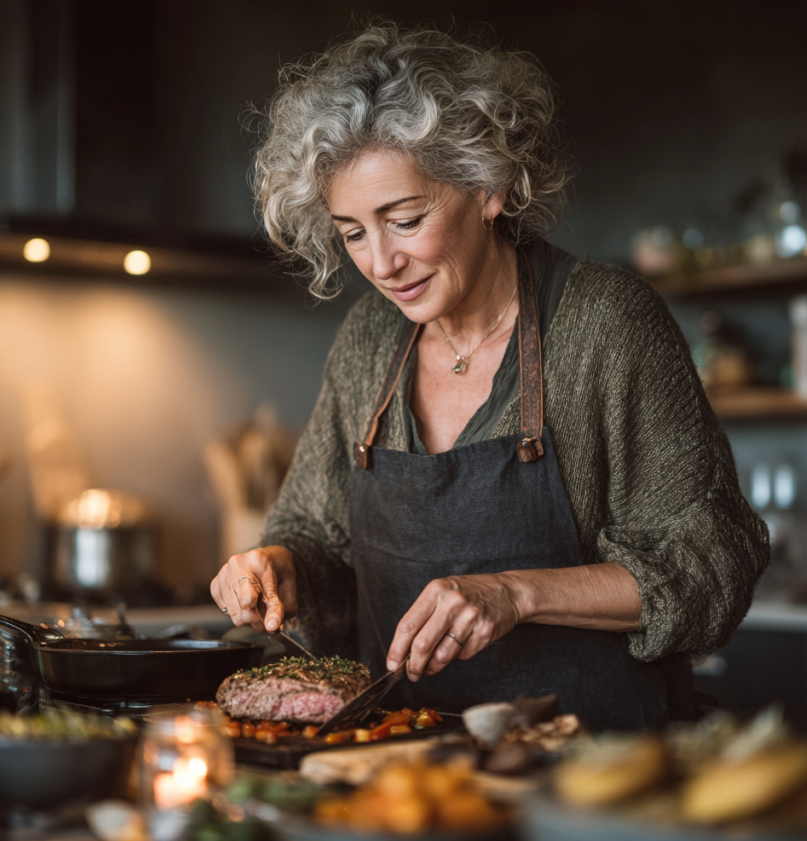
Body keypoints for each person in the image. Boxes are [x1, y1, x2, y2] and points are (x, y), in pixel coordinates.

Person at [210, 24, 769, 731]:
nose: (380, 263)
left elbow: (711, 560)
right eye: (352, 232)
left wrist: (513, 594)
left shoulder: (604, 323)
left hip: (589, 770)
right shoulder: (368, 342)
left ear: (488, 188)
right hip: (399, 764)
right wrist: (279, 566)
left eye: (404, 219)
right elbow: (316, 540)